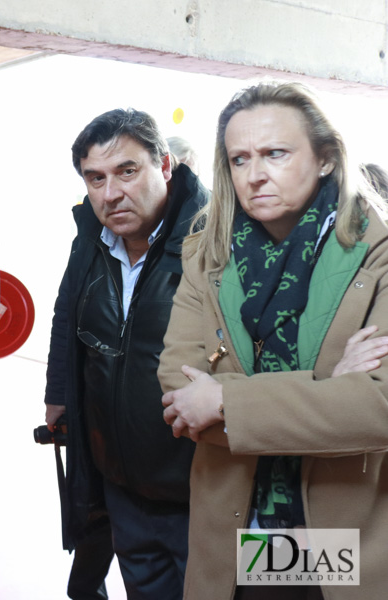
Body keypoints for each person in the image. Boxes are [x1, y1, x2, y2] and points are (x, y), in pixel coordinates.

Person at [159, 80, 388, 600]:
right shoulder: (206, 254)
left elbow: (380, 404)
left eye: (275, 154)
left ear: (327, 158)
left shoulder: (377, 254)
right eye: (239, 159)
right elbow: (179, 395)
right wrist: (330, 387)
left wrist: (225, 399)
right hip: (237, 527)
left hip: (339, 533)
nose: (255, 175)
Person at [44, 108, 205, 599]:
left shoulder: (215, 239)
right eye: (95, 178)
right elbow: (66, 315)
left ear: (165, 166)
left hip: (200, 488)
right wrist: (57, 392)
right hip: (121, 483)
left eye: (127, 171)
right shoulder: (91, 240)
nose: (110, 193)